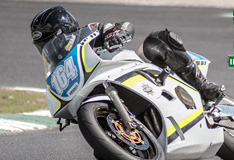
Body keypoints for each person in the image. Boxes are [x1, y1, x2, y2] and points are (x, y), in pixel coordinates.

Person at [30, 5, 224, 102]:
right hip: (103, 91)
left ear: (63, 33)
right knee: (103, 156)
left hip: (129, 69)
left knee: (156, 39)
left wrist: (115, 33)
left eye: (51, 42)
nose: (50, 49)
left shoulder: (89, 31)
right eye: (44, 46)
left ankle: (202, 85)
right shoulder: (61, 72)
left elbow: (125, 26)